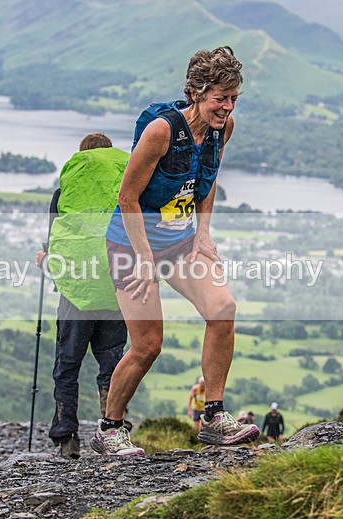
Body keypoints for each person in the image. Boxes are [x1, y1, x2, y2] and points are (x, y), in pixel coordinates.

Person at [91, 46, 259, 456]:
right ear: (197, 92)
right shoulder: (161, 132)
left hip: (181, 241)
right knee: (148, 344)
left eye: (234, 97)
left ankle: (214, 416)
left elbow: (209, 177)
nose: (228, 106)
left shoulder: (223, 127)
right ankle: (109, 429)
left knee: (223, 308)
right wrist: (145, 258)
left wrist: (203, 233)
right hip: (132, 244)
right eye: (221, 97)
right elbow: (127, 196)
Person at [35, 133, 130, 459]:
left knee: (67, 366)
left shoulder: (65, 193)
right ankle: (113, 430)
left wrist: (46, 262)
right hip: (116, 291)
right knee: (113, 365)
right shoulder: (125, 193)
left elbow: (55, 242)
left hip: (76, 293)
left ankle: (66, 439)